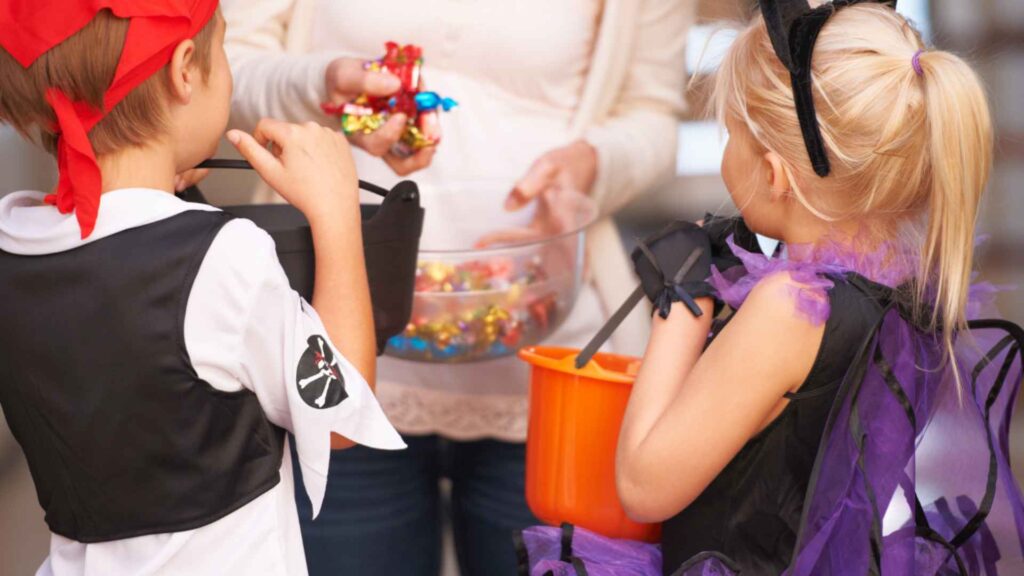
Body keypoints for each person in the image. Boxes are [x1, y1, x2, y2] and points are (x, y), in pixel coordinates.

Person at [220, 1, 696, 574]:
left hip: (545, 371)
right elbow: (225, 69)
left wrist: (590, 165)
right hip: (334, 357)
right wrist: (321, 83)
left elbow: (654, 117)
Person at [612, 1, 1024, 575]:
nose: (727, 155)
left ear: (776, 174)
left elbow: (643, 484)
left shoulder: (791, 307)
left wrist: (682, 298)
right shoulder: (903, 291)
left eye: (730, 135)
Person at [0, 3, 403, 575]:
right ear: (185, 69)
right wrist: (336, 214)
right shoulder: (219, 257)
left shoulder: (12, 244)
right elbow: (337, 418)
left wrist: (161, 192)